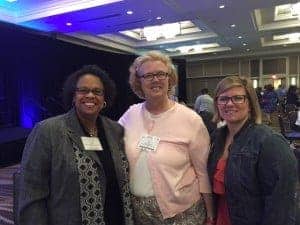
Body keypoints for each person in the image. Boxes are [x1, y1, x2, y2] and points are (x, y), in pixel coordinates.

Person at [18, 65, 134, 225]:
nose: (90, 95)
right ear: (73, 96)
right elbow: (31, 191)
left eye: (97, 91)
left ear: (104, 98)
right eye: (83, 90)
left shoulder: (114, 129)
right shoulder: (48, 131)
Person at [119, 51, 214, 225]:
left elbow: (203, 171)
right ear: (138, 81)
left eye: (161, 74)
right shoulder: (130, 115)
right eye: (148, 75)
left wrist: (211, 214)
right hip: (139, 213)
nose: (155, 79)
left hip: (183, 213)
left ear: (170, 79)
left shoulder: (190, 119)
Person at [207, 76, 298, 225]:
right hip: (222, 218)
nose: (229, 104)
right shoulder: (216, 138)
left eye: (238, 98)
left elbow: (281, 208)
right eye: (223, 99)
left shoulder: (270, 142)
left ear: (250, 103)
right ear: (217, 104)